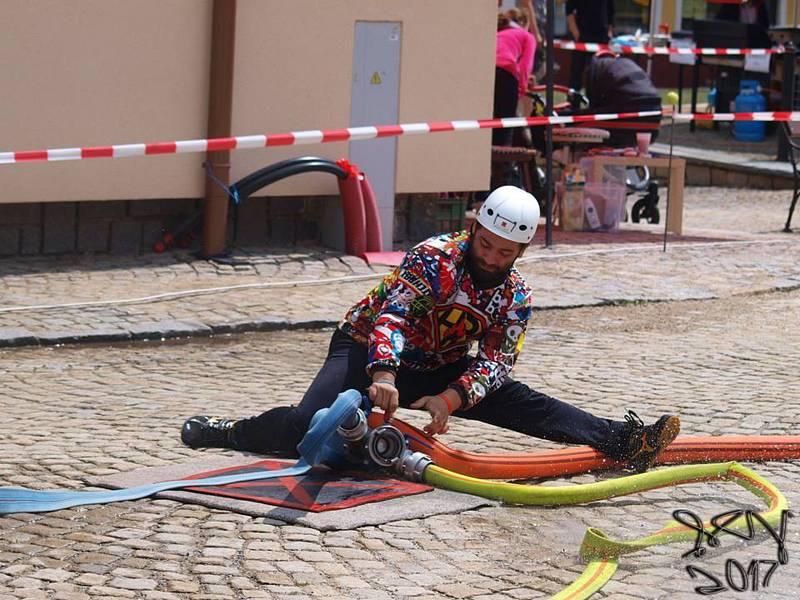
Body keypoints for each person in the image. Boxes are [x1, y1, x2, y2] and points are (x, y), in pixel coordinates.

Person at [181, 186, 681, 474]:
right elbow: (392, 316)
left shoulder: (517, 295)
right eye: (485, 245)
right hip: (365, 350)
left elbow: (496, 361)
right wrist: (384, 375)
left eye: (504, 253)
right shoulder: (433, 258)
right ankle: (229, 431)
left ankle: (623, 441)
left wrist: (453, 399)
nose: (491, 258)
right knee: (304, 427)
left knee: (521, 400)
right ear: (474, 229)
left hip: (440, 365)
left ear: (521, 253)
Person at [584, 49, 662, 147]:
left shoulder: (606, 71)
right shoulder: (623, 66)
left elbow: (594, 101)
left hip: (625, 115)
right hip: (652, 111)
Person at [493, 10, 536, 148]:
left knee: (489, 125)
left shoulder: (498, 34)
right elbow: (524, 67)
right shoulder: (527, 36)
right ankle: (502, 167)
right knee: (504, 132)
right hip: (506, 76)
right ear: (523, 24)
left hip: (489, 75)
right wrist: (520, 91)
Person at [566, 0, 615, 91]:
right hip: (582, 38)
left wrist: (609, 33)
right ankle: (573, 103)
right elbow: (569, 11)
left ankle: (597, 103)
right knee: (576, 75)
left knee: (600, 75)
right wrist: (576, 33)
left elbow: (611, 12)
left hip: (602, 39)